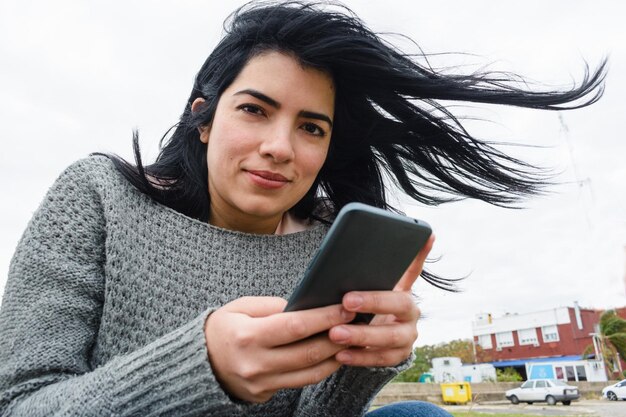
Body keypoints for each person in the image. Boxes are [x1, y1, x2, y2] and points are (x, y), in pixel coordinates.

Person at [0, 1, 605, 416]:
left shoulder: (326, 246)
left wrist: (360, 358)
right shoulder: (99, 196)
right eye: (254, 109)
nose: (280, 148)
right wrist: (200, 364)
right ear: (203, 119)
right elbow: (19, 403)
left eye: (311, 128)